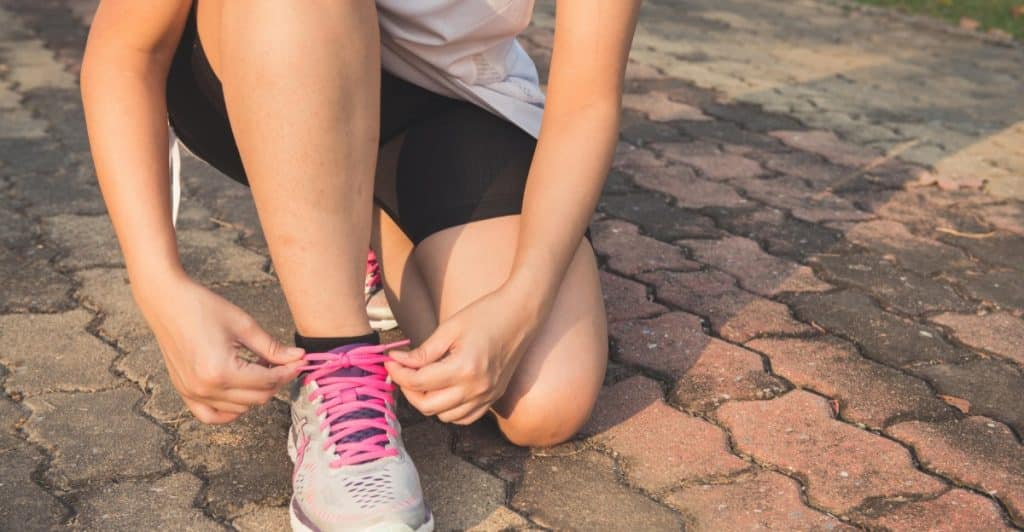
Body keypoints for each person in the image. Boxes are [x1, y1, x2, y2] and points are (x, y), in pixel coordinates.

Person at [80, 1, 642, 530]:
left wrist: (523, 299)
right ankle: (337, 362)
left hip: (453, 94)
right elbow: (126, 51)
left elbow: (588, 97)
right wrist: (158, 283)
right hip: (268, 44)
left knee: (543, 399)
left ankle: (355, 222)